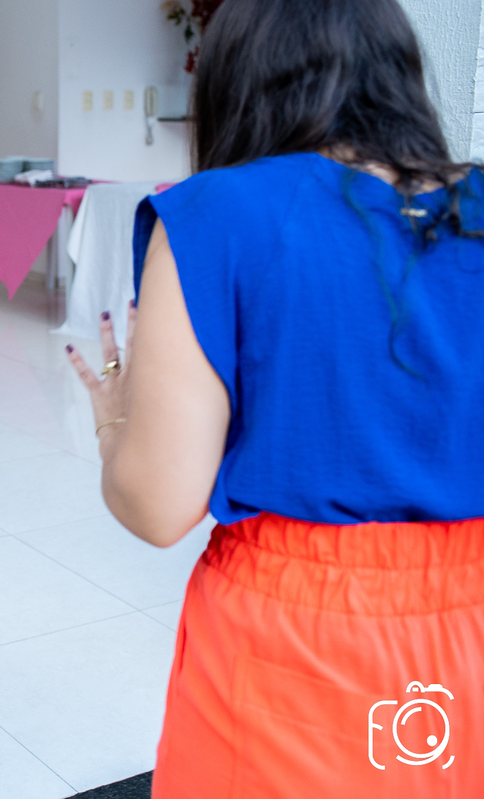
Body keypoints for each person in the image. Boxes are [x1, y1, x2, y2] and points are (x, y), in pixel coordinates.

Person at [65, 0, 484, 795]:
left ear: (240, 81)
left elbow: (159, 506)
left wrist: (116, 418)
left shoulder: (219, 215)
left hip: (296, 637)